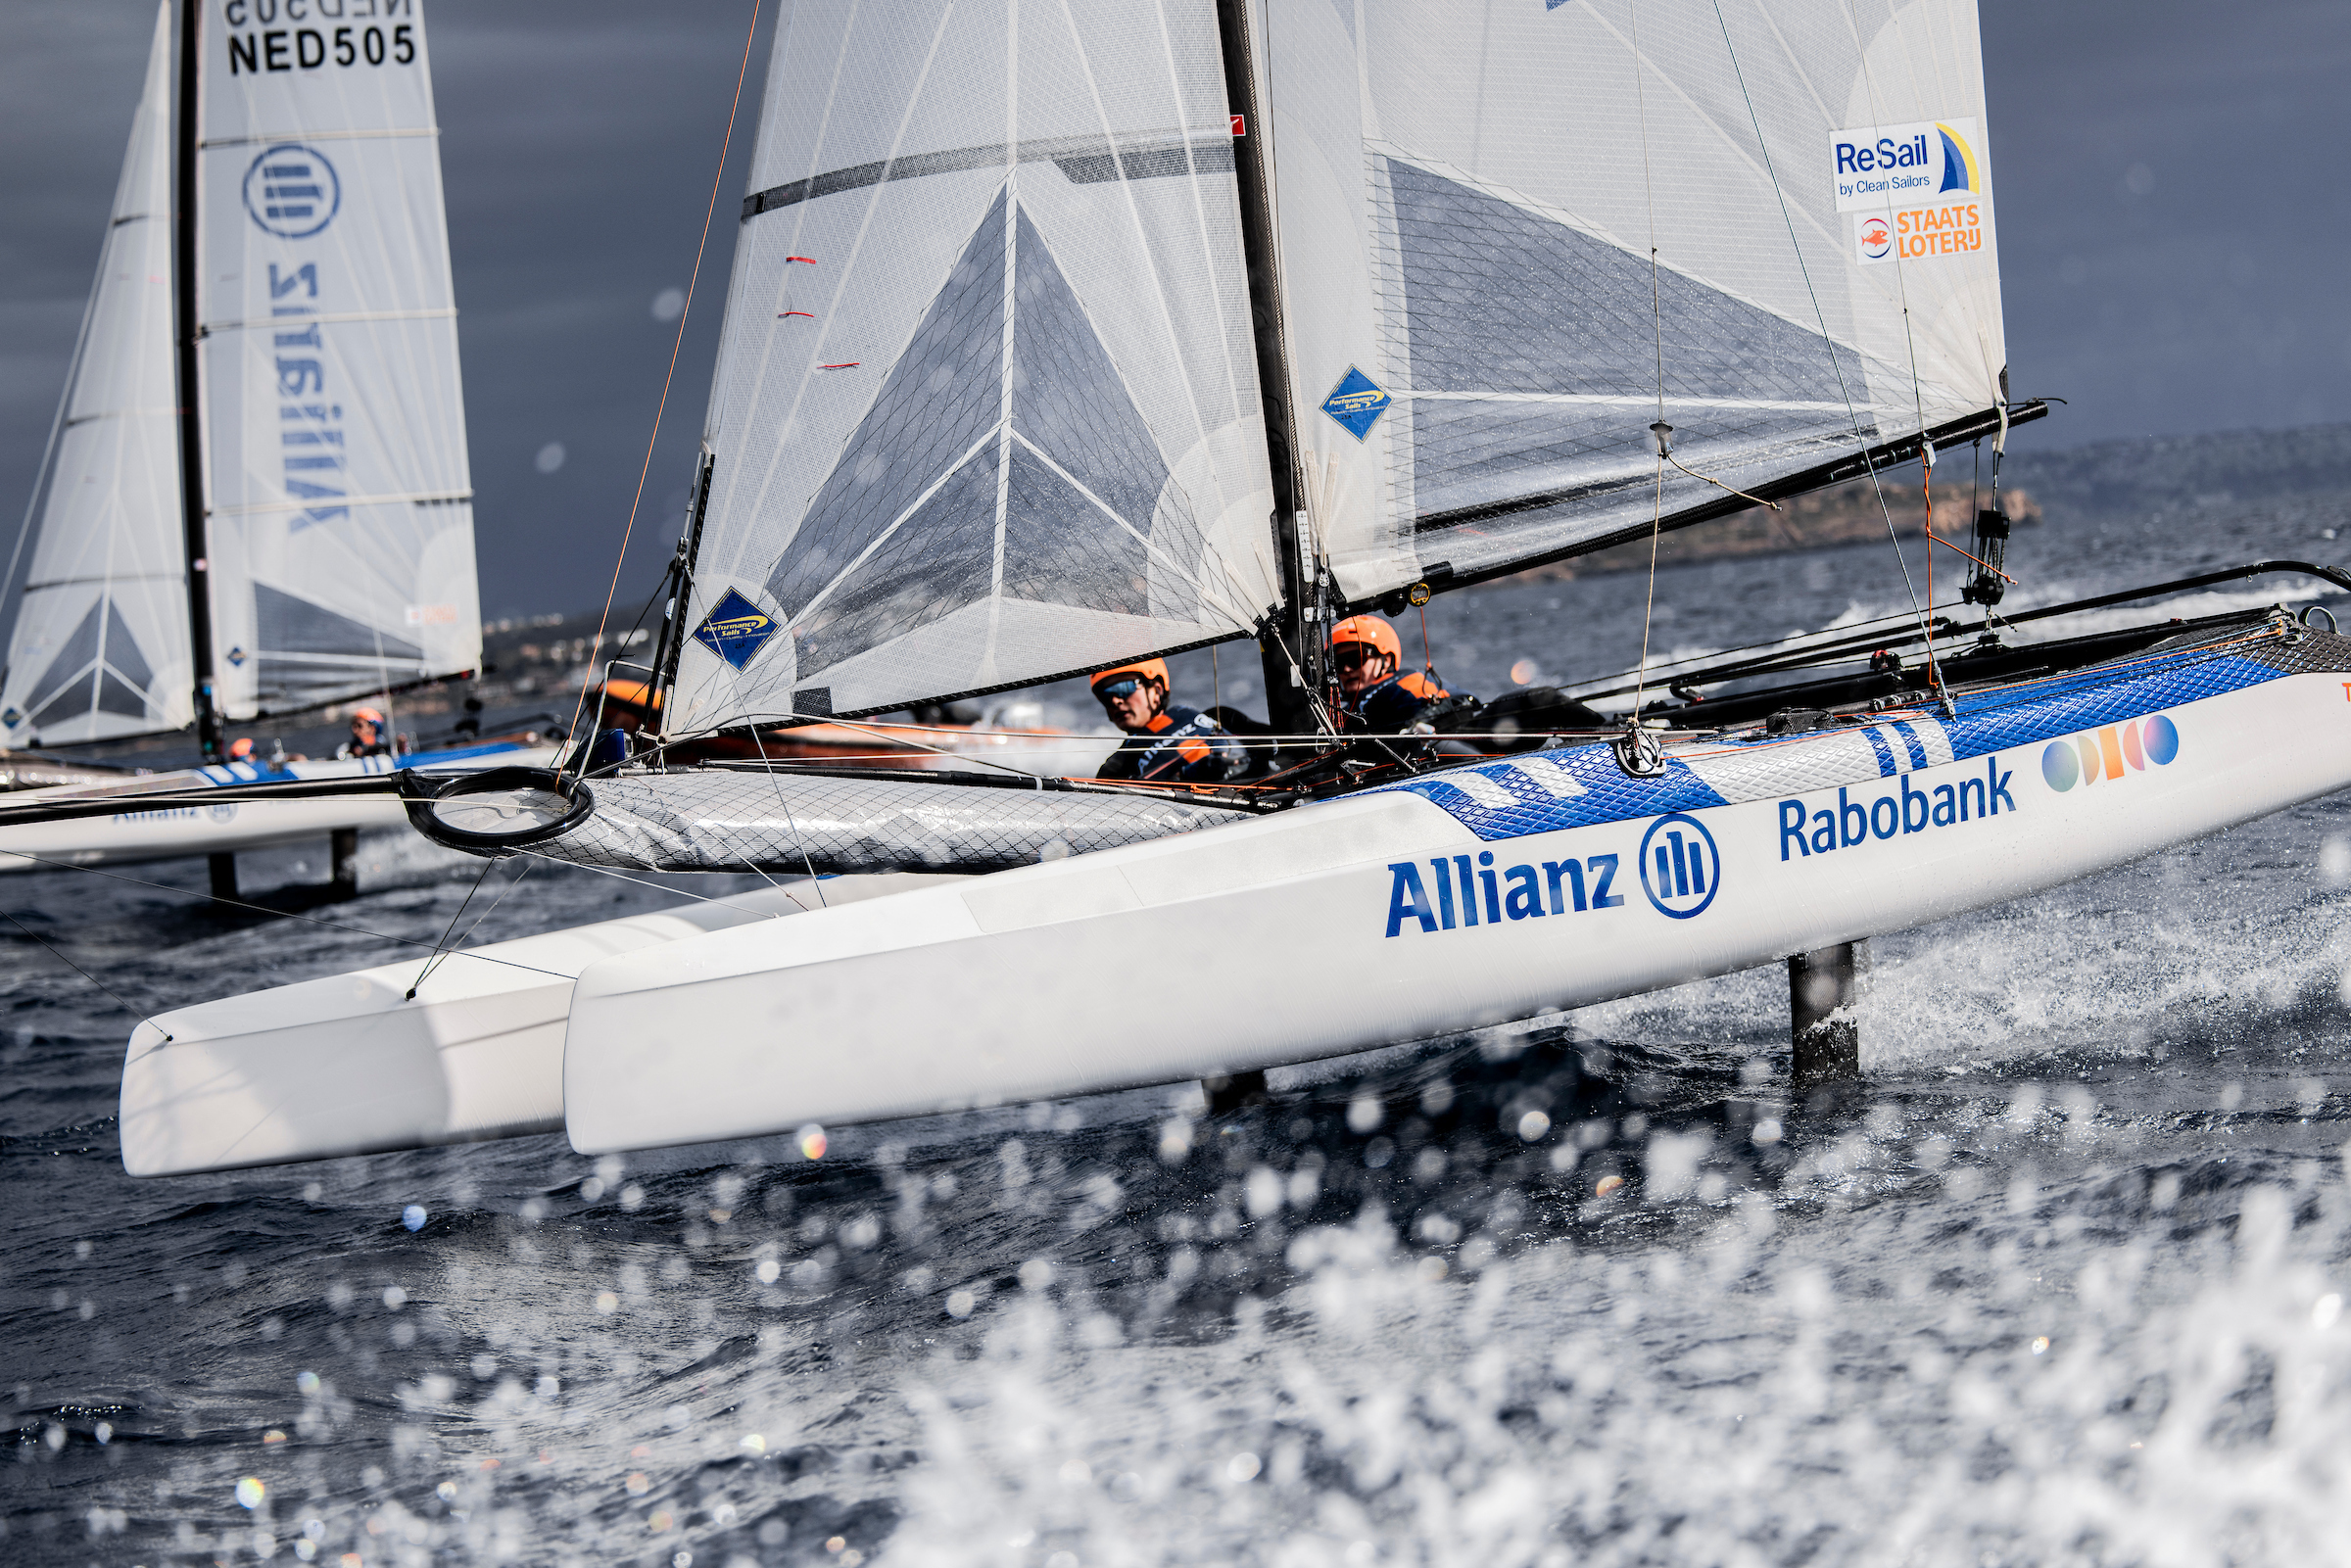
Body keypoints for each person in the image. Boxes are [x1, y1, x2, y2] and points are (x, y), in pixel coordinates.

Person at [1090, 658, 1249, 784]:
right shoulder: (1117, 767)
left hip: (1253, 784)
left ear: (1157, 690)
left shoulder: (1224, 717)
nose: (1115, 701)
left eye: (1123, 689)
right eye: (1106, 696)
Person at [1330, 615, 1461, 732]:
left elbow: (1454, 703)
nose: (1346, 669)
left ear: (1386, 661)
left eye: (1355, 659)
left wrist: (1418, 725)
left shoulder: (1405, 683)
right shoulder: (1342, 713)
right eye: (1339, 663)